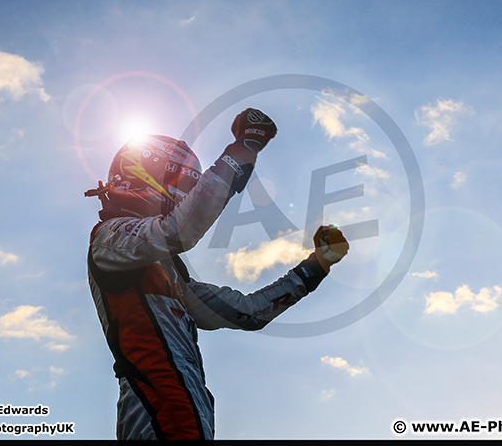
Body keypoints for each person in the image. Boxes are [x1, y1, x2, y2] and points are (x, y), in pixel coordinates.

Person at [85, 108, 349, 440]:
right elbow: (180, 230)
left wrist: (317, 266)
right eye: (183, 183)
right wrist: (243, 150)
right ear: (152, 175)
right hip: (159, 417)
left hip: (185, 419)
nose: (187, 194)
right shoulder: (109, 237)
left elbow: (249, 312)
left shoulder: (171, 276)